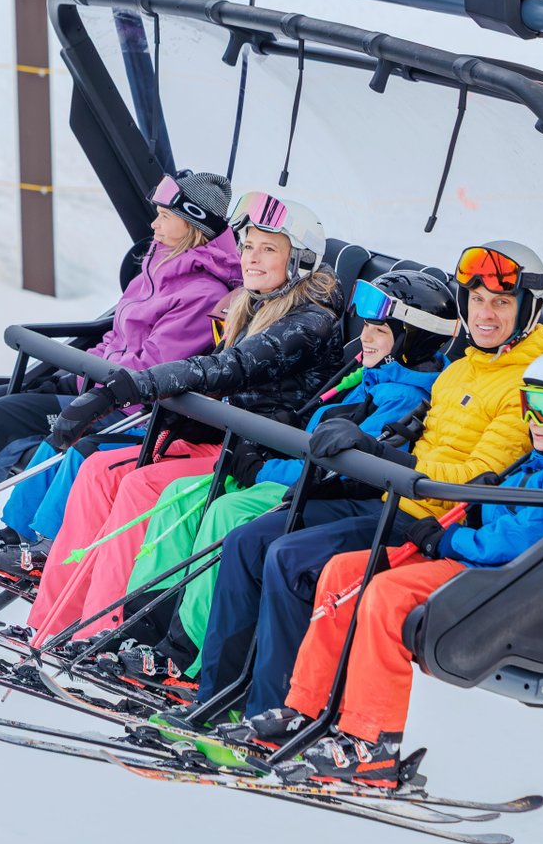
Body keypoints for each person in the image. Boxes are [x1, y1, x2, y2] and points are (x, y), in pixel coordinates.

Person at [192, 241, 543, 732]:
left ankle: (274, 712)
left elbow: (477, 480)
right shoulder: (462, 370)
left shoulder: (532, 382)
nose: (485, 314)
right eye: (476, 300)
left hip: (427, 517)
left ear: (528, 310)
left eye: (501, 302)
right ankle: (215, 698)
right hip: (389, 497)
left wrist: (384, 456)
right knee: (247, 539)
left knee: (289, 557)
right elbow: (415, 429)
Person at [276, 346, 543, 785]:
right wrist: (483, 498)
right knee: (344, 572)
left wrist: (445, 537)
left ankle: (372, 743)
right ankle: (305, 708)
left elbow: (519, 539)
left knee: (386, 597)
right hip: (477, 557)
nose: (532, 421)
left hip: (497, 578)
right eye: (529, 406)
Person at [96, 269, 460, 678]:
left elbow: (343, 469)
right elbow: (314, 431)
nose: (366, 338)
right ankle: (144, 625)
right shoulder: (371, 376)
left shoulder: (402, 397)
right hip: (296, 477)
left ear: (413, 340)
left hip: (320, 494)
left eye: (380, 331)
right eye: (367, 327)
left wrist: (263, 468)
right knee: (183, 495)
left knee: (227, 514)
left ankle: (184, 651)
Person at [22, 193, 344, 643]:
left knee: (142, 484)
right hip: (220, 436)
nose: (252, 258)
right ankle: (50, 622)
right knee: (97, 469)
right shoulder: (252, 303)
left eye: (269, 249)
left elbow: (228, 369)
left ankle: (102, 632)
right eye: (248, 245)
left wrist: (131, 385)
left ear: (299, 261)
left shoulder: (309, 323)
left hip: (254, 453)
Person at [0, 171, 239, 535]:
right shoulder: (157, 266)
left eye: (165, 217)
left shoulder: (202, 294)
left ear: (193, 225)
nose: (154, 225)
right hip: (95, 388)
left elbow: (151, 369)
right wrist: (73, 375)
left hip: (126, 410)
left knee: (4, 416)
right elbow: (116, 338)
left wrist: (87, 380)